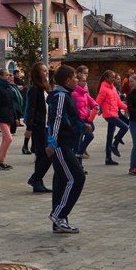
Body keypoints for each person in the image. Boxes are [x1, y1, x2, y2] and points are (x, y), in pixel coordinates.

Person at [46, 65, 90, 233]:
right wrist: (52, 144)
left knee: (62, 181)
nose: (77, 80)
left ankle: (59, 222)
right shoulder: (61, 96)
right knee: (76, 178)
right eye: (74, 77)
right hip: (59, 145)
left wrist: (82, 125)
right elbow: (55, 120)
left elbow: (71, 117)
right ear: (67, 80)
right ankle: (58, 214)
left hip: (65, 143)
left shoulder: (67, 95)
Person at [23, 63, 53, 193]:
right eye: (44, 71)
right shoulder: (35, 88)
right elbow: (32, 108)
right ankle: (35, 178)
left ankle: (38, 183)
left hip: (46, 125)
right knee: (48, 154)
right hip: (38, 125)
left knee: (41, 155)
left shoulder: (45, 87)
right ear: (37, 73)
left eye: (47, 71)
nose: (47, 73)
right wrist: (30, 126)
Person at [96, 70, 128, 165]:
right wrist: (90, 118)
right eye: (112, 77)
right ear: (106, 78)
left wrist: (130, 109)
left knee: (109, 136)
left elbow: (119, 103)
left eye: (114, 77)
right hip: (109, 114)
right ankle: (115, 145)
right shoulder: (104, 89)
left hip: (114, 113)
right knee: (125, 127)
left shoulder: (113, 88)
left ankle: (108, 158)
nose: (114, 79)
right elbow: (97, 103)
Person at [72, 66, 98, 168]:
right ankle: (78, 158)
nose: (85, 83)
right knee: (87, 137)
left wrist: (95, 105)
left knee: (78, 142)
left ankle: (79, 165)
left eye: (85, 81)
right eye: (83, 81)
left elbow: (90, 99)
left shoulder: (84, 92)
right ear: (77, 82)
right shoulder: (74, 93)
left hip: (85, 117)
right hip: (79, 120)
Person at [0, 68, 16, 170]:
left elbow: (11, 104)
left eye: (9, 75)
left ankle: (1, 161)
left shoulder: (8, 88)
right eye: (6, 75)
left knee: (5, 139)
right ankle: (1, 161)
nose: (9, 77)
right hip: (1, 116)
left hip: (8, 116)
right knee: (8, 138)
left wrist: (15, 117)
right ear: (1, 76)